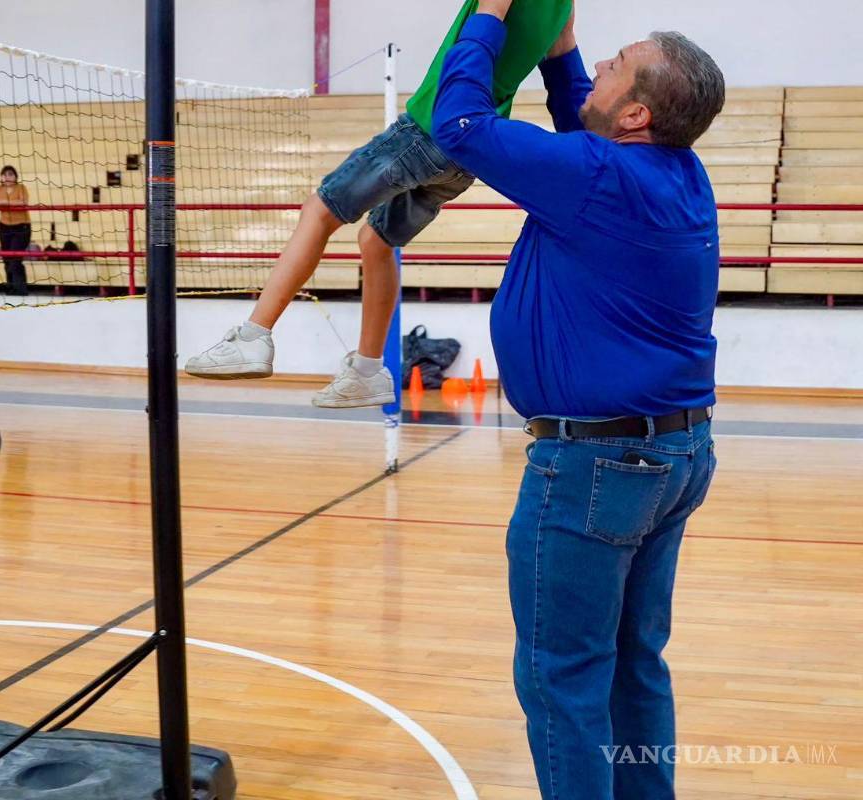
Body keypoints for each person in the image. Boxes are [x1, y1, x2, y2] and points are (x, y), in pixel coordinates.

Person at [430, 2, 724, 798]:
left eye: (614, 63)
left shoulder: (595, 178)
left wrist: (491, 13)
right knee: (632, 663)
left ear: (636, 113)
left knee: (562, 680)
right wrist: (559, 42)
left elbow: (455, 123)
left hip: (597, 466)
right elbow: (580, 122)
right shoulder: (672, 171)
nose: (598, 66)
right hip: (672, 457)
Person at [184, 0, 572, 408]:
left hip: (430, 128)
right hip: (468, 151)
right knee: (376, 239)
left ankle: (253, 336)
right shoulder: (564, 8)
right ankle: (368, 371)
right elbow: (562, 66)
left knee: (319, 210)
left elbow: (488, 25)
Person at [0, 164, 31, 295]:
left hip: (22, 226)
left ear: (15, 176)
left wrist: (2, 202)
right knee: (6, 257)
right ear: (1, 177)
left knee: (15, 257)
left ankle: (20, 288)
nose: (7, 177)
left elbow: (23, 202)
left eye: (10, 174)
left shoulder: (21, 187)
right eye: (4, 174)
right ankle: (10, 287)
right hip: (4, 226)